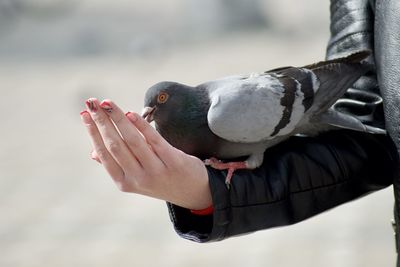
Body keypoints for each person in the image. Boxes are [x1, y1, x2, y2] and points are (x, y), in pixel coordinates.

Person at [80, 0, 400, 263]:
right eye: (152, 105)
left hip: (298, 104)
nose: (151, 112)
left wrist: (238, 169)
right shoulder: (203, 113)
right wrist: (207, 193)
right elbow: (366, 115)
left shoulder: (222, 114)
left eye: (161, 100)